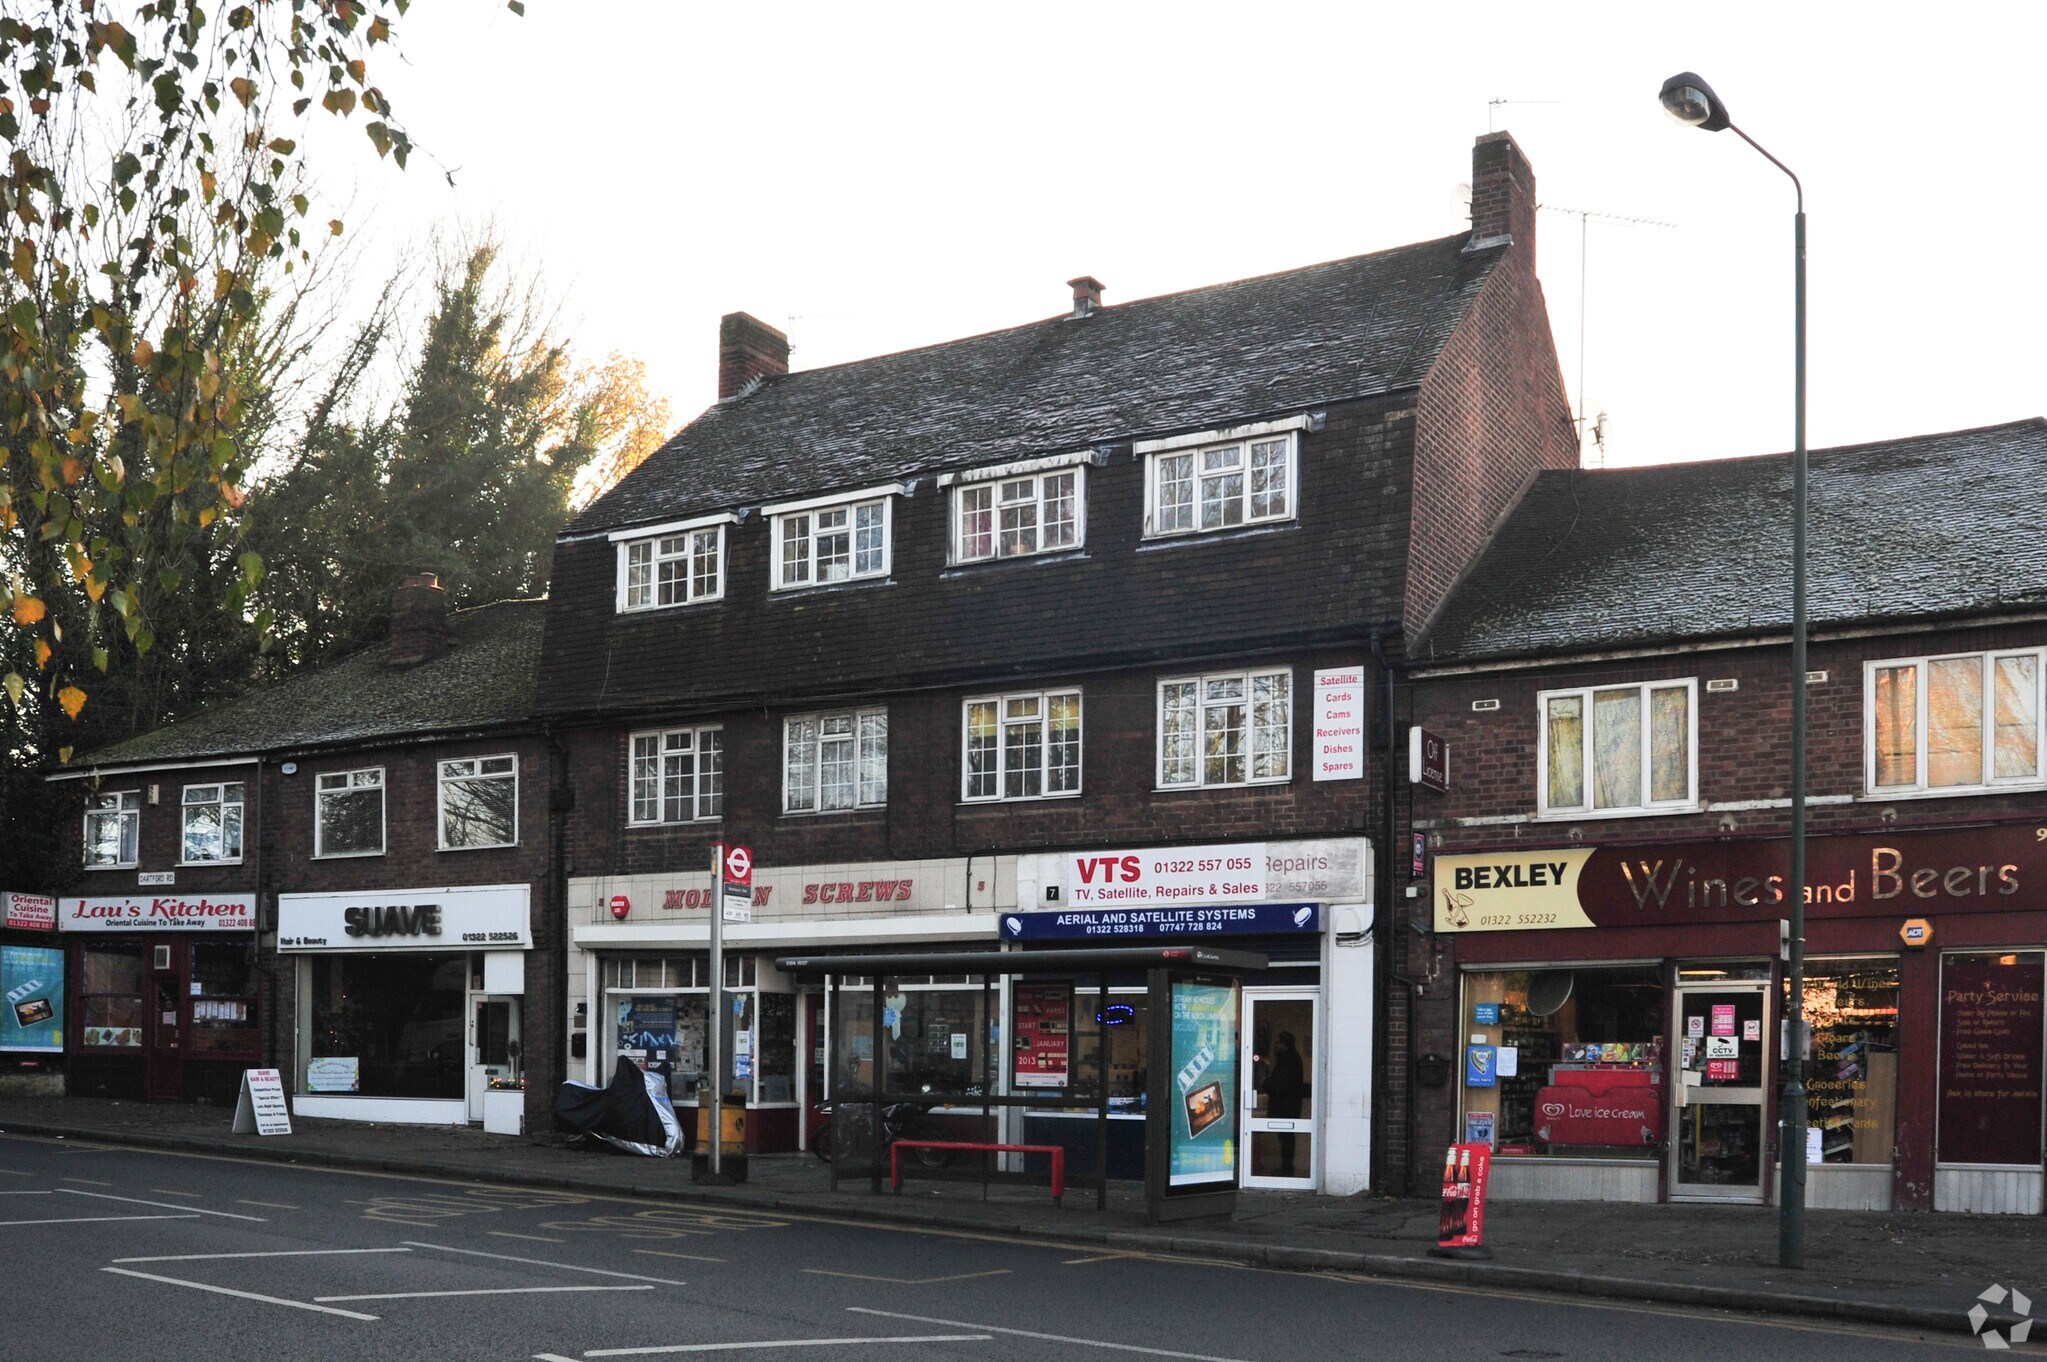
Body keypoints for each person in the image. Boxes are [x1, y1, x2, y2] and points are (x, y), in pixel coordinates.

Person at [1260, 1030, 1306, 1177]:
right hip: (1289, 1106)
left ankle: (1286, 1169)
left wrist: (1265, 1083)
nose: (1275, 1045)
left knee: (1286, 1139)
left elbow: (1280, 1085)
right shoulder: (1292, 1058)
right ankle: (1286, 1168)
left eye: (1278, 1042)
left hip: (1285, 1106)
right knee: (1286, 1138)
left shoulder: (1287, 1060)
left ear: (1285, 1044)